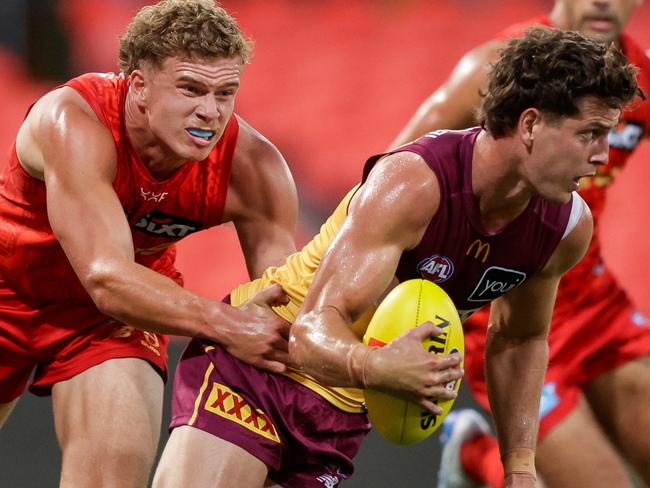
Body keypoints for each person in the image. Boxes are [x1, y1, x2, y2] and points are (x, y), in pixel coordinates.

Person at [153, 28, 641, 488]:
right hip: (260, 365)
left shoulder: (565, 228)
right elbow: (311, 330)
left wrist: (518, 469)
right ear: (531, 123)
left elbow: (520, 338)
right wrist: (379, 369)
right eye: (590, 134)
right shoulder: (415, 183)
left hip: (342, 407)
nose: (602, 154)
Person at [0, 1, 299, 486]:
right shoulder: (73, 120)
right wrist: (228, 323)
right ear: (138, 86)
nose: (210, 111)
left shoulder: (255, 170)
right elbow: (104, 274)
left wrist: (366, 362)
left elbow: (287, 307)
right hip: (11, 288)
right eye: (191, 89)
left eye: (226, 92)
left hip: (110, 321)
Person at [390, 1, 650, 488]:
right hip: (507, 308)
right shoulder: (498, 68)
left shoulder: (638, 79)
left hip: (595, 305)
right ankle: (473, 456)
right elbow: (391, 172)